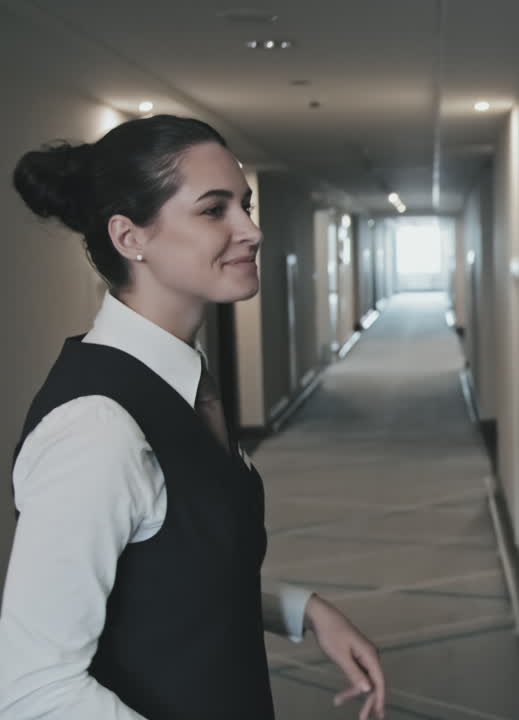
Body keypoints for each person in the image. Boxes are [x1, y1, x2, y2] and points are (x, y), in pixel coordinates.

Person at [0, 115, 387, 720]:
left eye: (246, 205)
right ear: (131, 237)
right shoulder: (98, 428)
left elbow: (170, 574)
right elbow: (33, 688)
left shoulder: (180, 383)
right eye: (214, 211)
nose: (252, 231)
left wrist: (300, 610)